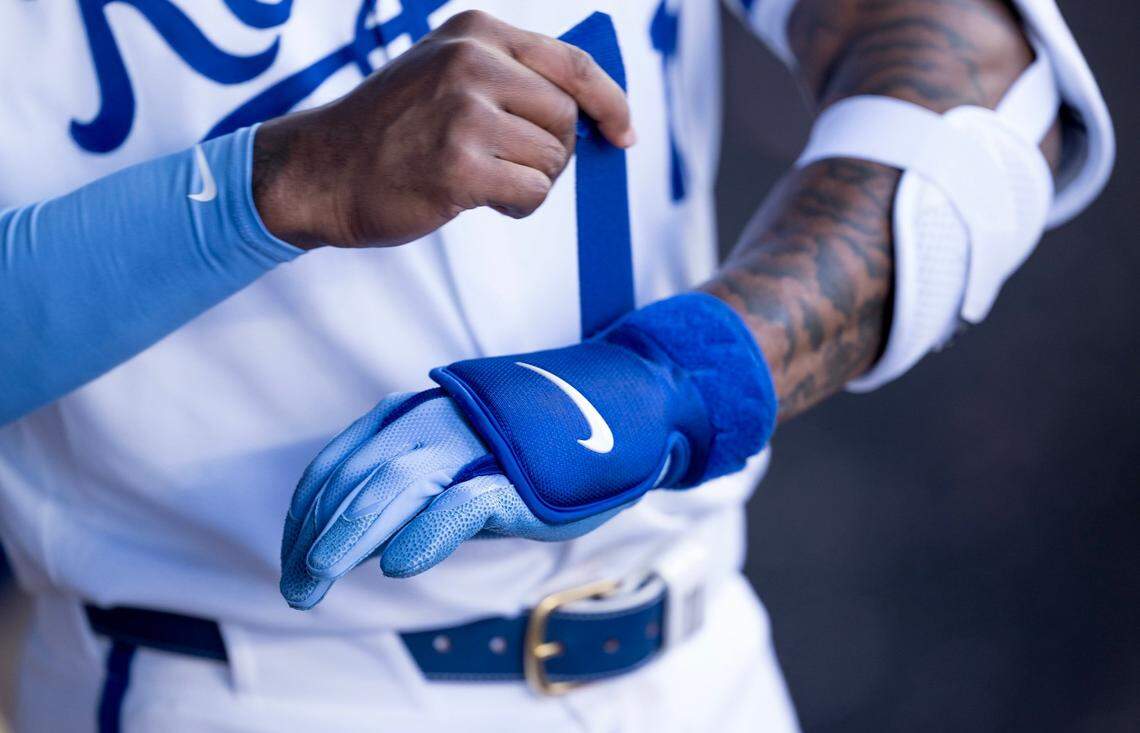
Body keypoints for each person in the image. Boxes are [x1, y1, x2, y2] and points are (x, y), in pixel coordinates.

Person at [0, 1, 1113, 731]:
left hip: (698, 662)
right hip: (248, 679)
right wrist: (279, 184)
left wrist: (684, 375)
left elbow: (978, 82)